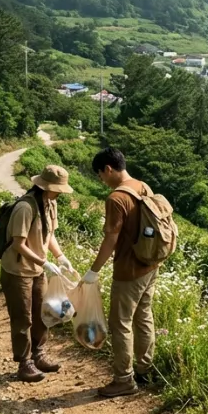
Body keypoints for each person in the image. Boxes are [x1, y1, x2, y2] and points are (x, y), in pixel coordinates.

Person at [85, 147, 156, 397]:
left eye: (100, 175)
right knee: (143, 316)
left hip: (129, 269)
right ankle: (145, 369)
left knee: (121, 323)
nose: (101, 180)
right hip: (150, 264)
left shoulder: (116, 198)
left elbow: (111, 239)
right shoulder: (142, 186)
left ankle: (124, 380)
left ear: (108, 169)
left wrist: (93, 271)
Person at [0, 165, 74, 383]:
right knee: (23, 318)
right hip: (18, 271)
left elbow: (49, 234)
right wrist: (44, 262)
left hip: (37, 270)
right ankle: (24, 364)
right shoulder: (25, 207)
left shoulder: (50, 204)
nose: (60, 193)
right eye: (57, 189)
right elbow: (18, 244)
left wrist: (60, 257)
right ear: (45, 187)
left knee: (43, 312)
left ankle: (39, 355)